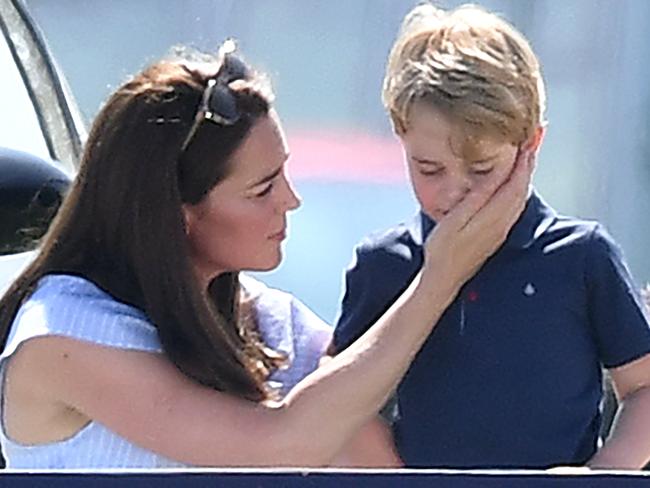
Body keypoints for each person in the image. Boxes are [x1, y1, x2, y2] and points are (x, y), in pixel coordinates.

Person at [0, 41, 533, 469]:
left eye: (285, 173)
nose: (291, 200)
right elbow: (283, 446)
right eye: (263, 188)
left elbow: (382, 462)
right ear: (176, 211)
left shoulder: (273, 328)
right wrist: (438, 277)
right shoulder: (61, 336)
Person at [332, 3, 650, 470]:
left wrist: (599, 476)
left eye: (482, 170)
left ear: (531, 145)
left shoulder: (583, 257)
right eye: (429, 169)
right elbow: (337, 402)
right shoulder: (385, 264)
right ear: (402, 138)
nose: (455, 193)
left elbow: (643, 387)